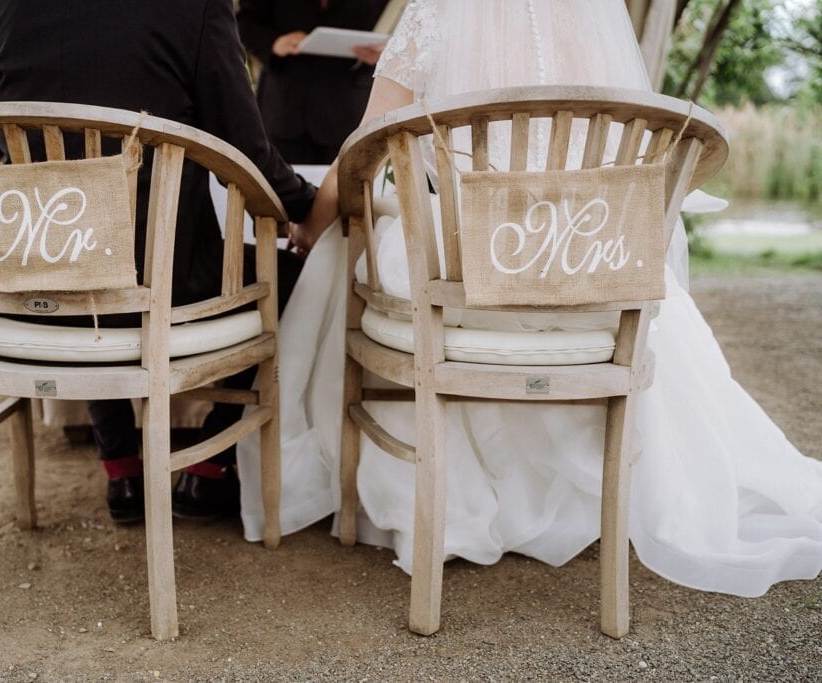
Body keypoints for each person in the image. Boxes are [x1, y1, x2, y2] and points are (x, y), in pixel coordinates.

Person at [238, 0, 822, 598]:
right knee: (501, 254)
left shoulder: (437, 12)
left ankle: (430, 485)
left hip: (474, 263)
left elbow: (362, 151)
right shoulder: (595, 14)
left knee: (364, 243)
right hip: (584, 258)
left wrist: (312, 224)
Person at [0, 0, 315, 524]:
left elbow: (1, 143)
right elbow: (248, 154)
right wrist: (306, 208)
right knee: (291, 274)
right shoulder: (194, 9)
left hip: (34, 290)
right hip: (163, 288)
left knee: (88, 261)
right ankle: (209, 467)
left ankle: (121, 468)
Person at [237, 0, 390, 164]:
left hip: (349, 108)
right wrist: (272, 43)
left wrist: (386, 51)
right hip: (284, 107)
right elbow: (242, 22)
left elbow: (400, 23)